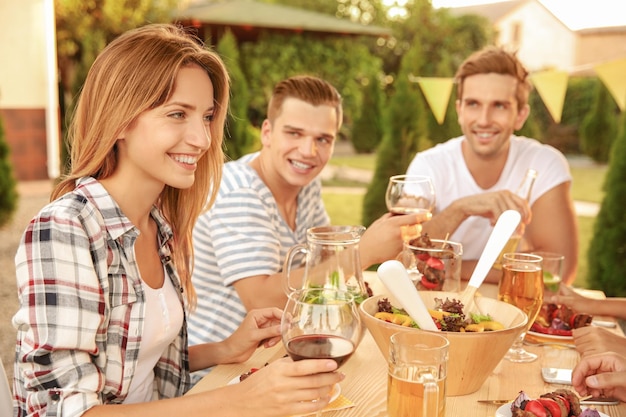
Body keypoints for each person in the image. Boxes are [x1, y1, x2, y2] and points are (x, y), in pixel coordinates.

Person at [12, 24, 344, 417]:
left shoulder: (158, 224)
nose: (203, 139)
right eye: (177, 114)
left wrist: (225, 349)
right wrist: (244, 399)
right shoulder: (66, 229)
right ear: (120, 121)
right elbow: (68, 411)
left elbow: (136, 360)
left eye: (206, 117)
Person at [188, 75, 425, 373]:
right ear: (267, 133)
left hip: (278, 354)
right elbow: (260, 298)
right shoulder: (239, 193)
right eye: (294, 133)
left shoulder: (304, 184)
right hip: (218, 372)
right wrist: (362, 252)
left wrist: (384, 236)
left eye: (322, 139)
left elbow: (325, 258)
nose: (308, 151)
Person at [406, 46, 578, 285]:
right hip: (436, 302)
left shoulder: (544, 163)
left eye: (499, 106)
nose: (484, 120)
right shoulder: (428, 165)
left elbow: (557, 269)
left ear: (520, 115)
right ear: (459, 111)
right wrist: (461, 209)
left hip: (512, 306)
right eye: (473, 104)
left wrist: (449, 265)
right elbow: (405, 253)